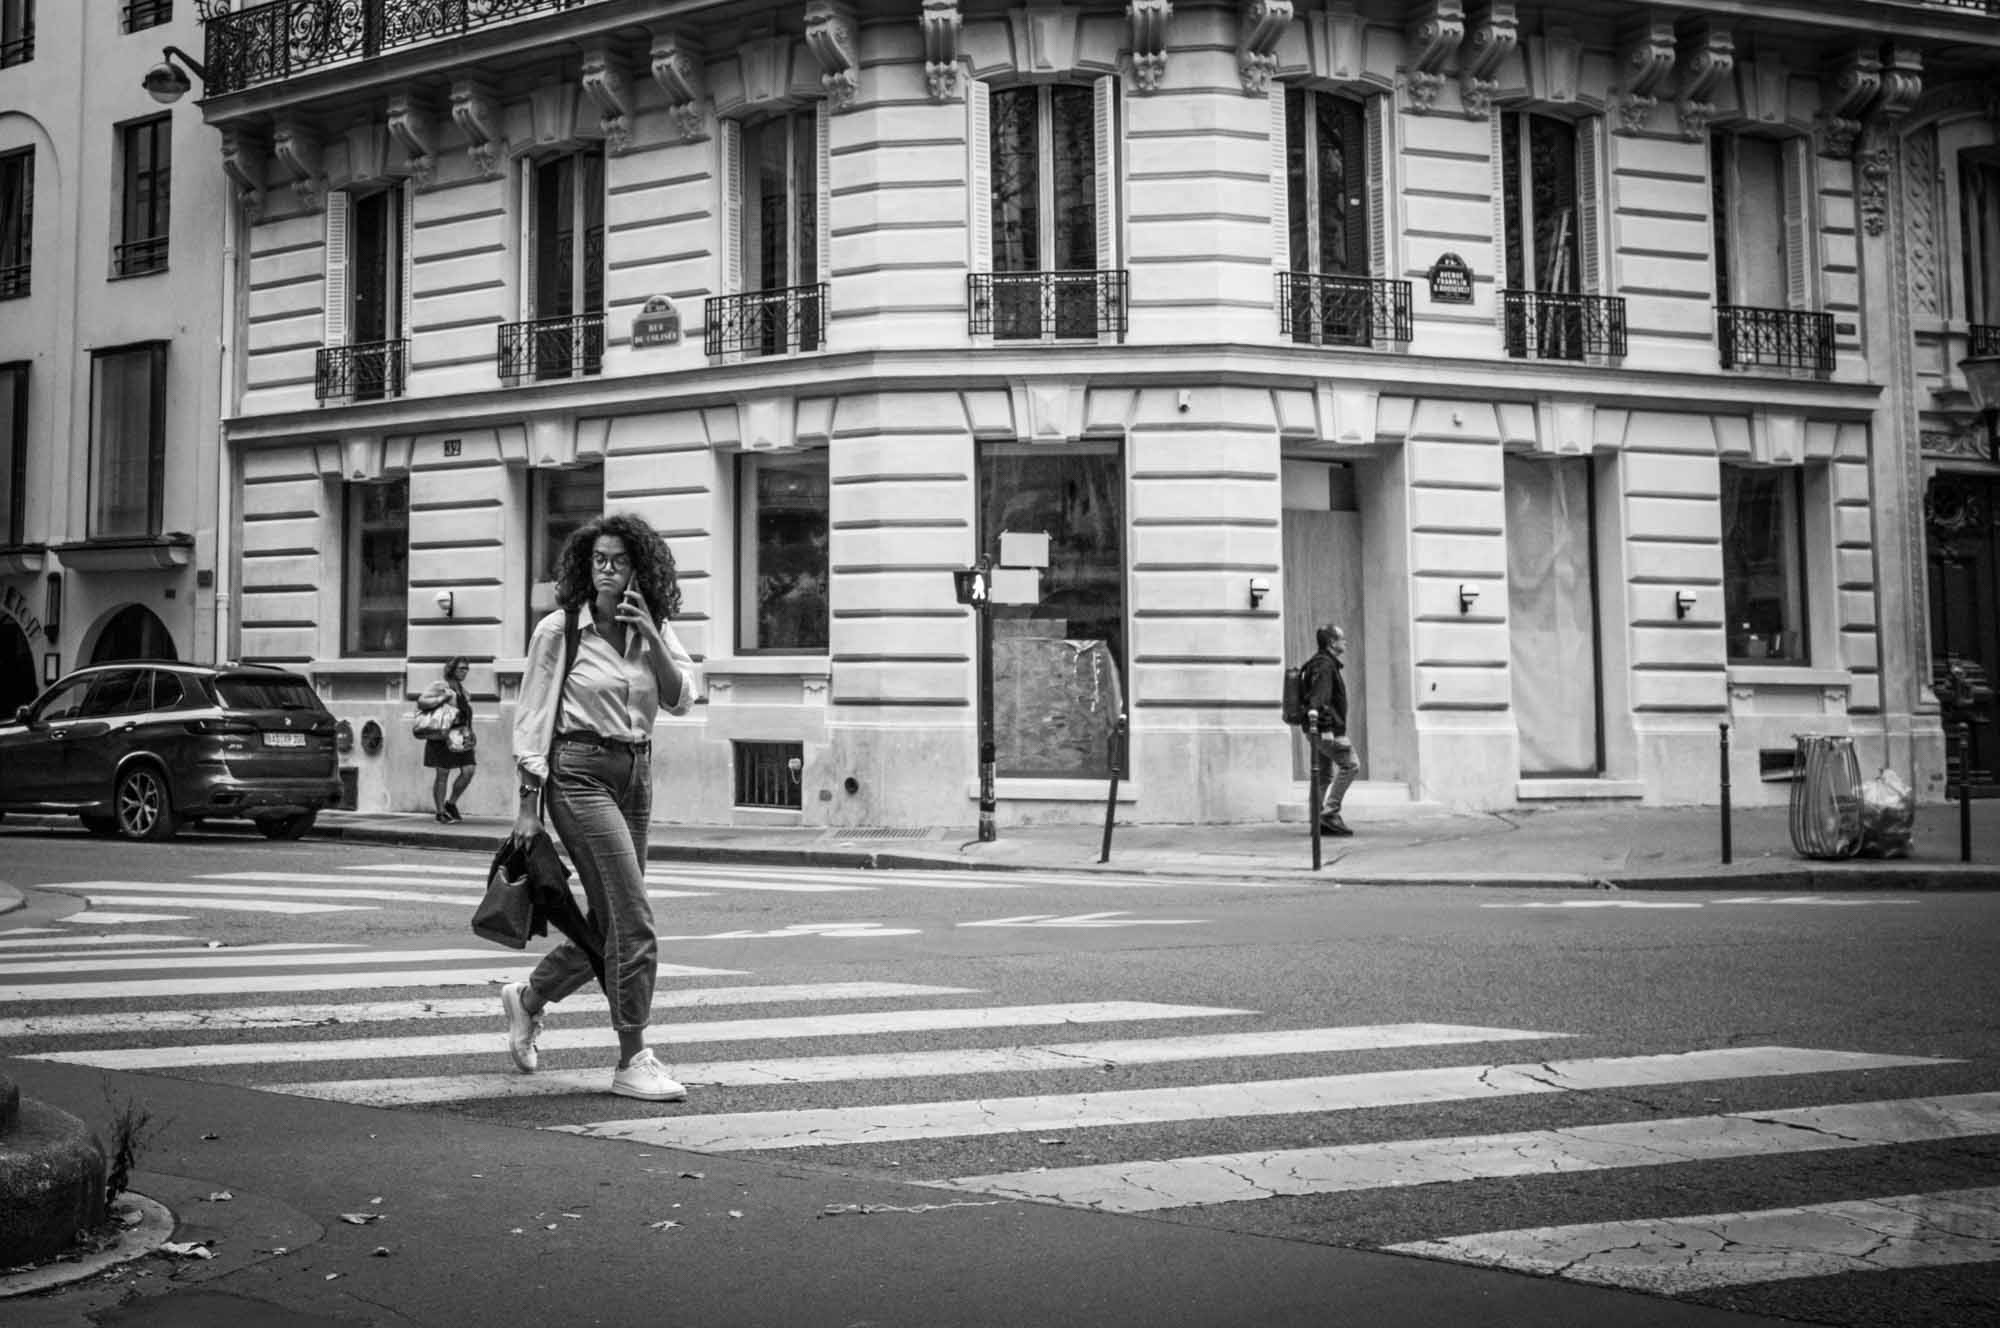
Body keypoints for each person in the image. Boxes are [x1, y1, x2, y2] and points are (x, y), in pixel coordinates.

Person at [500, 513, 698, 1102]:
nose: (607, 571)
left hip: (636, 773)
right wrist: (528, 805)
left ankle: (529, 998)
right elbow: (532, 719)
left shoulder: (652, 625)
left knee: (610, 921)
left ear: (640, 568)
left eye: (618, 561)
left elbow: (682, 696)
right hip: (577, 773)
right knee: (633, 917)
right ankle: (632, 1057)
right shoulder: (560, 630)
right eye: (598, 561)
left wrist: (655, 638)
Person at [1299, 623, 1359, 836]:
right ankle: (1329, 812)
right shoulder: (1325, 666)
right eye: (1341, 638)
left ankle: (1317, 820)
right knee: (1351, 765)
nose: (1345, 642)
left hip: (1316, 729)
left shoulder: (1319, 663)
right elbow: (1319, 699)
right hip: (1326, 730)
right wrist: (1326, 729)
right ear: (1332, 642)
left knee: (1323, 776)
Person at [418, 656, 475, 823]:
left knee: (468, 771)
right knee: (443, 773)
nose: (465, 672)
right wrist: (442, 698)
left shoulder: (464, 692)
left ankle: (451, 803)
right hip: (442, 735)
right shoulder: (440, 686)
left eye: (466, 669)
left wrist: (470, 734)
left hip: (461, 736)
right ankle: (440, 811)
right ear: (452, 669)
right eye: (461, 668)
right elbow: (422, 702)